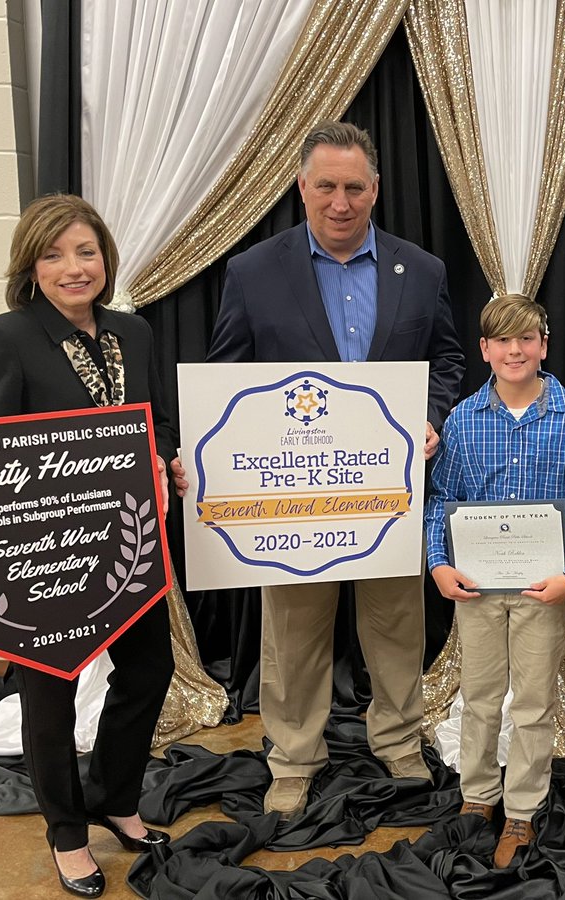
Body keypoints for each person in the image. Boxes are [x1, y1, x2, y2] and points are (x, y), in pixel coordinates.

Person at [172, 121, 464, 820]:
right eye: (326, 186)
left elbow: (447, 359)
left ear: (376, 190)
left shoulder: (421, 270)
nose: (341, 201)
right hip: (289, 501)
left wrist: (430, 416)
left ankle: (396, 739)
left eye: (354, 187)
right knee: (294, 631)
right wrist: (211, 452)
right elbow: (228, 377)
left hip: (383, 491)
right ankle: (294, 758)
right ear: (302, 187)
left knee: (395, 625)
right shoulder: (252, 271)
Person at [0, 193, 176, 898]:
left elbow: (154, 424)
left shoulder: (136, 332)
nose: (74, 267)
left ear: (106, 258)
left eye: (86, 251)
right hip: (44, 552)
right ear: (31, 266)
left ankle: (117, 800)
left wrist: (168, 457)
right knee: (49, 694)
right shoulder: (4, 336)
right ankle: (67, 833)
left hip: (127, 547)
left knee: (150, 669)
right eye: (55, 254)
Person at [425, 294, 565, 867]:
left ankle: (522, 811)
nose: (515, 350)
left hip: (542, 590)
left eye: (526, 339)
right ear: (484, 350)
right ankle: (477, 799)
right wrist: (438, 561)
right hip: (475, 588)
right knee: (477, 698)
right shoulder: (462, 419)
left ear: (544, 345)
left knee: (531, 701)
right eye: (502, 340)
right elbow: (442, 499)